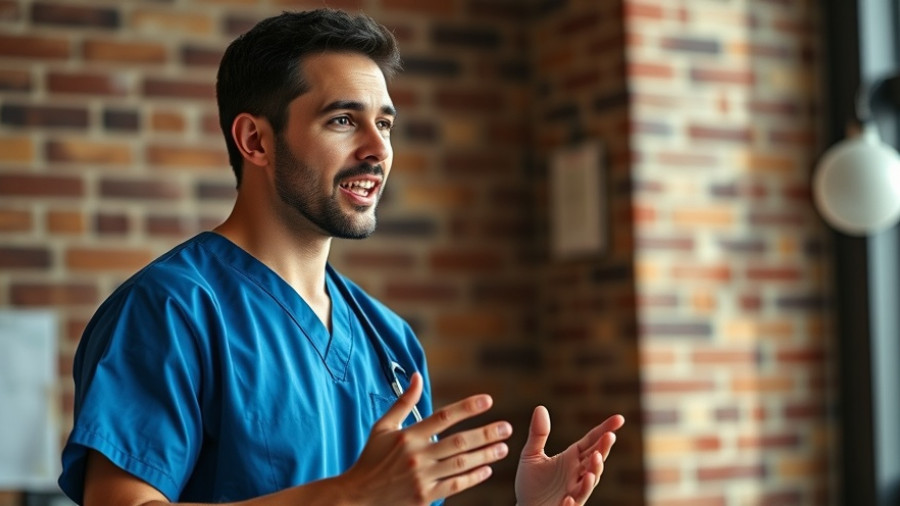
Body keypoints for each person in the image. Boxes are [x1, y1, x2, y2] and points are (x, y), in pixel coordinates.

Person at [58, 8, 625, 506]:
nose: (378, 150)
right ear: (255, 141)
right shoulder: (169, 311)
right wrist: (348, 497)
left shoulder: (392, 341)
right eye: (343, 120)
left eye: (384, 124)